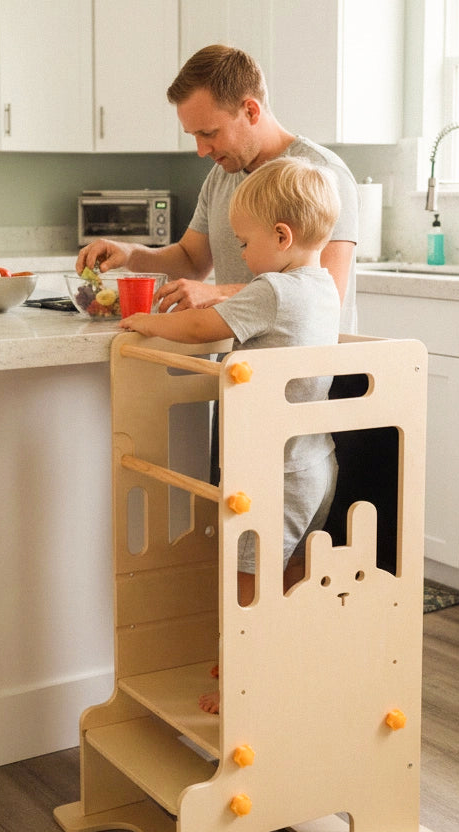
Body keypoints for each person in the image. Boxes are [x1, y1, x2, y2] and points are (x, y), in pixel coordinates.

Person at [120, 155, 341, 714]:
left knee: (246, 585)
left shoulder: (273, 289)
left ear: (281, 236)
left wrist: (144, 321)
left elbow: (199, 326)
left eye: (243, 242)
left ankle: (243, 691)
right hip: (315, 463)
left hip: (273, 471)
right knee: (286, 577)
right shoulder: (320, 288)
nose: (238, 255)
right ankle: (276, 670)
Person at [76, 44, 358, 335]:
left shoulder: (321, 174)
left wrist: (217, 293)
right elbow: (191, 260)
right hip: (244, 370)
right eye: (194, 135)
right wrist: (130, 254)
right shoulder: (222, 175)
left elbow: (323, 294)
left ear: (250, 110)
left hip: (307, 374)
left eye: (209, 133)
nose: (201, 150)